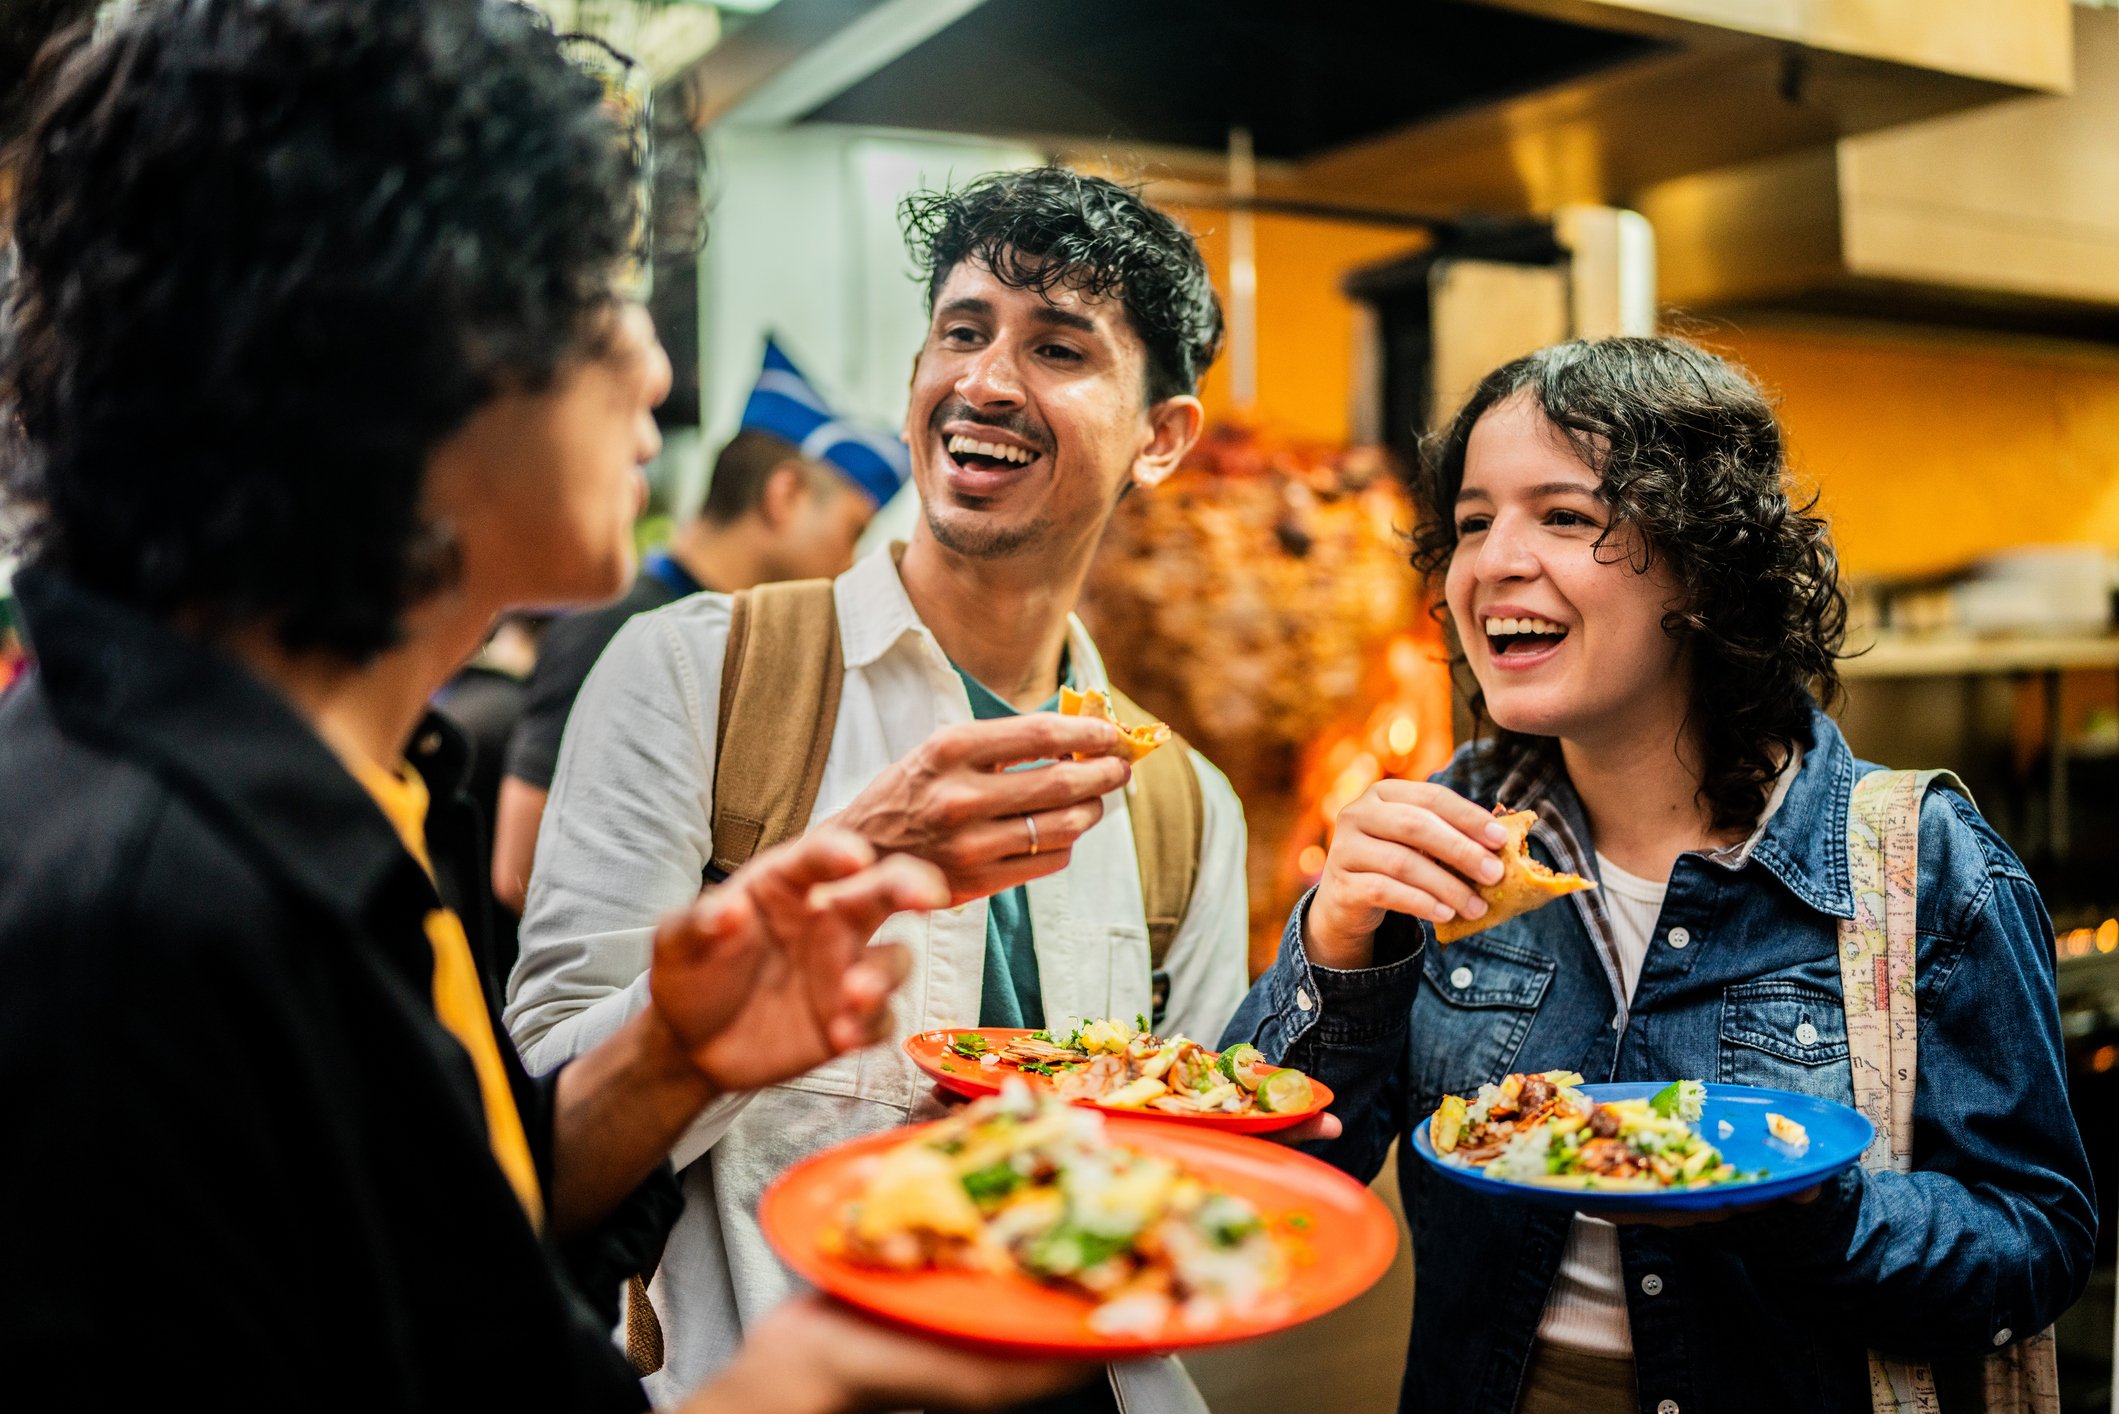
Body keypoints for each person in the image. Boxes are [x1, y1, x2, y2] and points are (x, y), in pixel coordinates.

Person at [0, 2, 1092, 1409]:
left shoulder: (350, 796)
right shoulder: (136, 923)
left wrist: (667, 1057)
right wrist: (790, 1385)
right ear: (399, 339)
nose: (654, 367)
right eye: (599, 291)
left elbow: (434, 1273)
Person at [1224, 336, 2096, 1414]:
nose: (1493, 561)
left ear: (1702, 566)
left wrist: (1808, 1210)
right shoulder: (1438, 843)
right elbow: (1268, 1188)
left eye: (1563, 516)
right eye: (1472, 522)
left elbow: (2034, 1241)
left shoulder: (1919, 865)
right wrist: (1334, 947)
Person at [507, 167, 1252, 1411]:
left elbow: (1190, 1173)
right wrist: (833, 884)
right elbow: (545, 1151)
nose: (985, 381)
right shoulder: (696, 677)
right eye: (961, 331)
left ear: (1160, 437)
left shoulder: (1183, 809)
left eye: (1056, 347)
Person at [492, 340, 907, 915]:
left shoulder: (751, 643)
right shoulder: (611, 627)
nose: (850, 562)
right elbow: (521, 868)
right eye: (852, 532)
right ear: (784, 495)